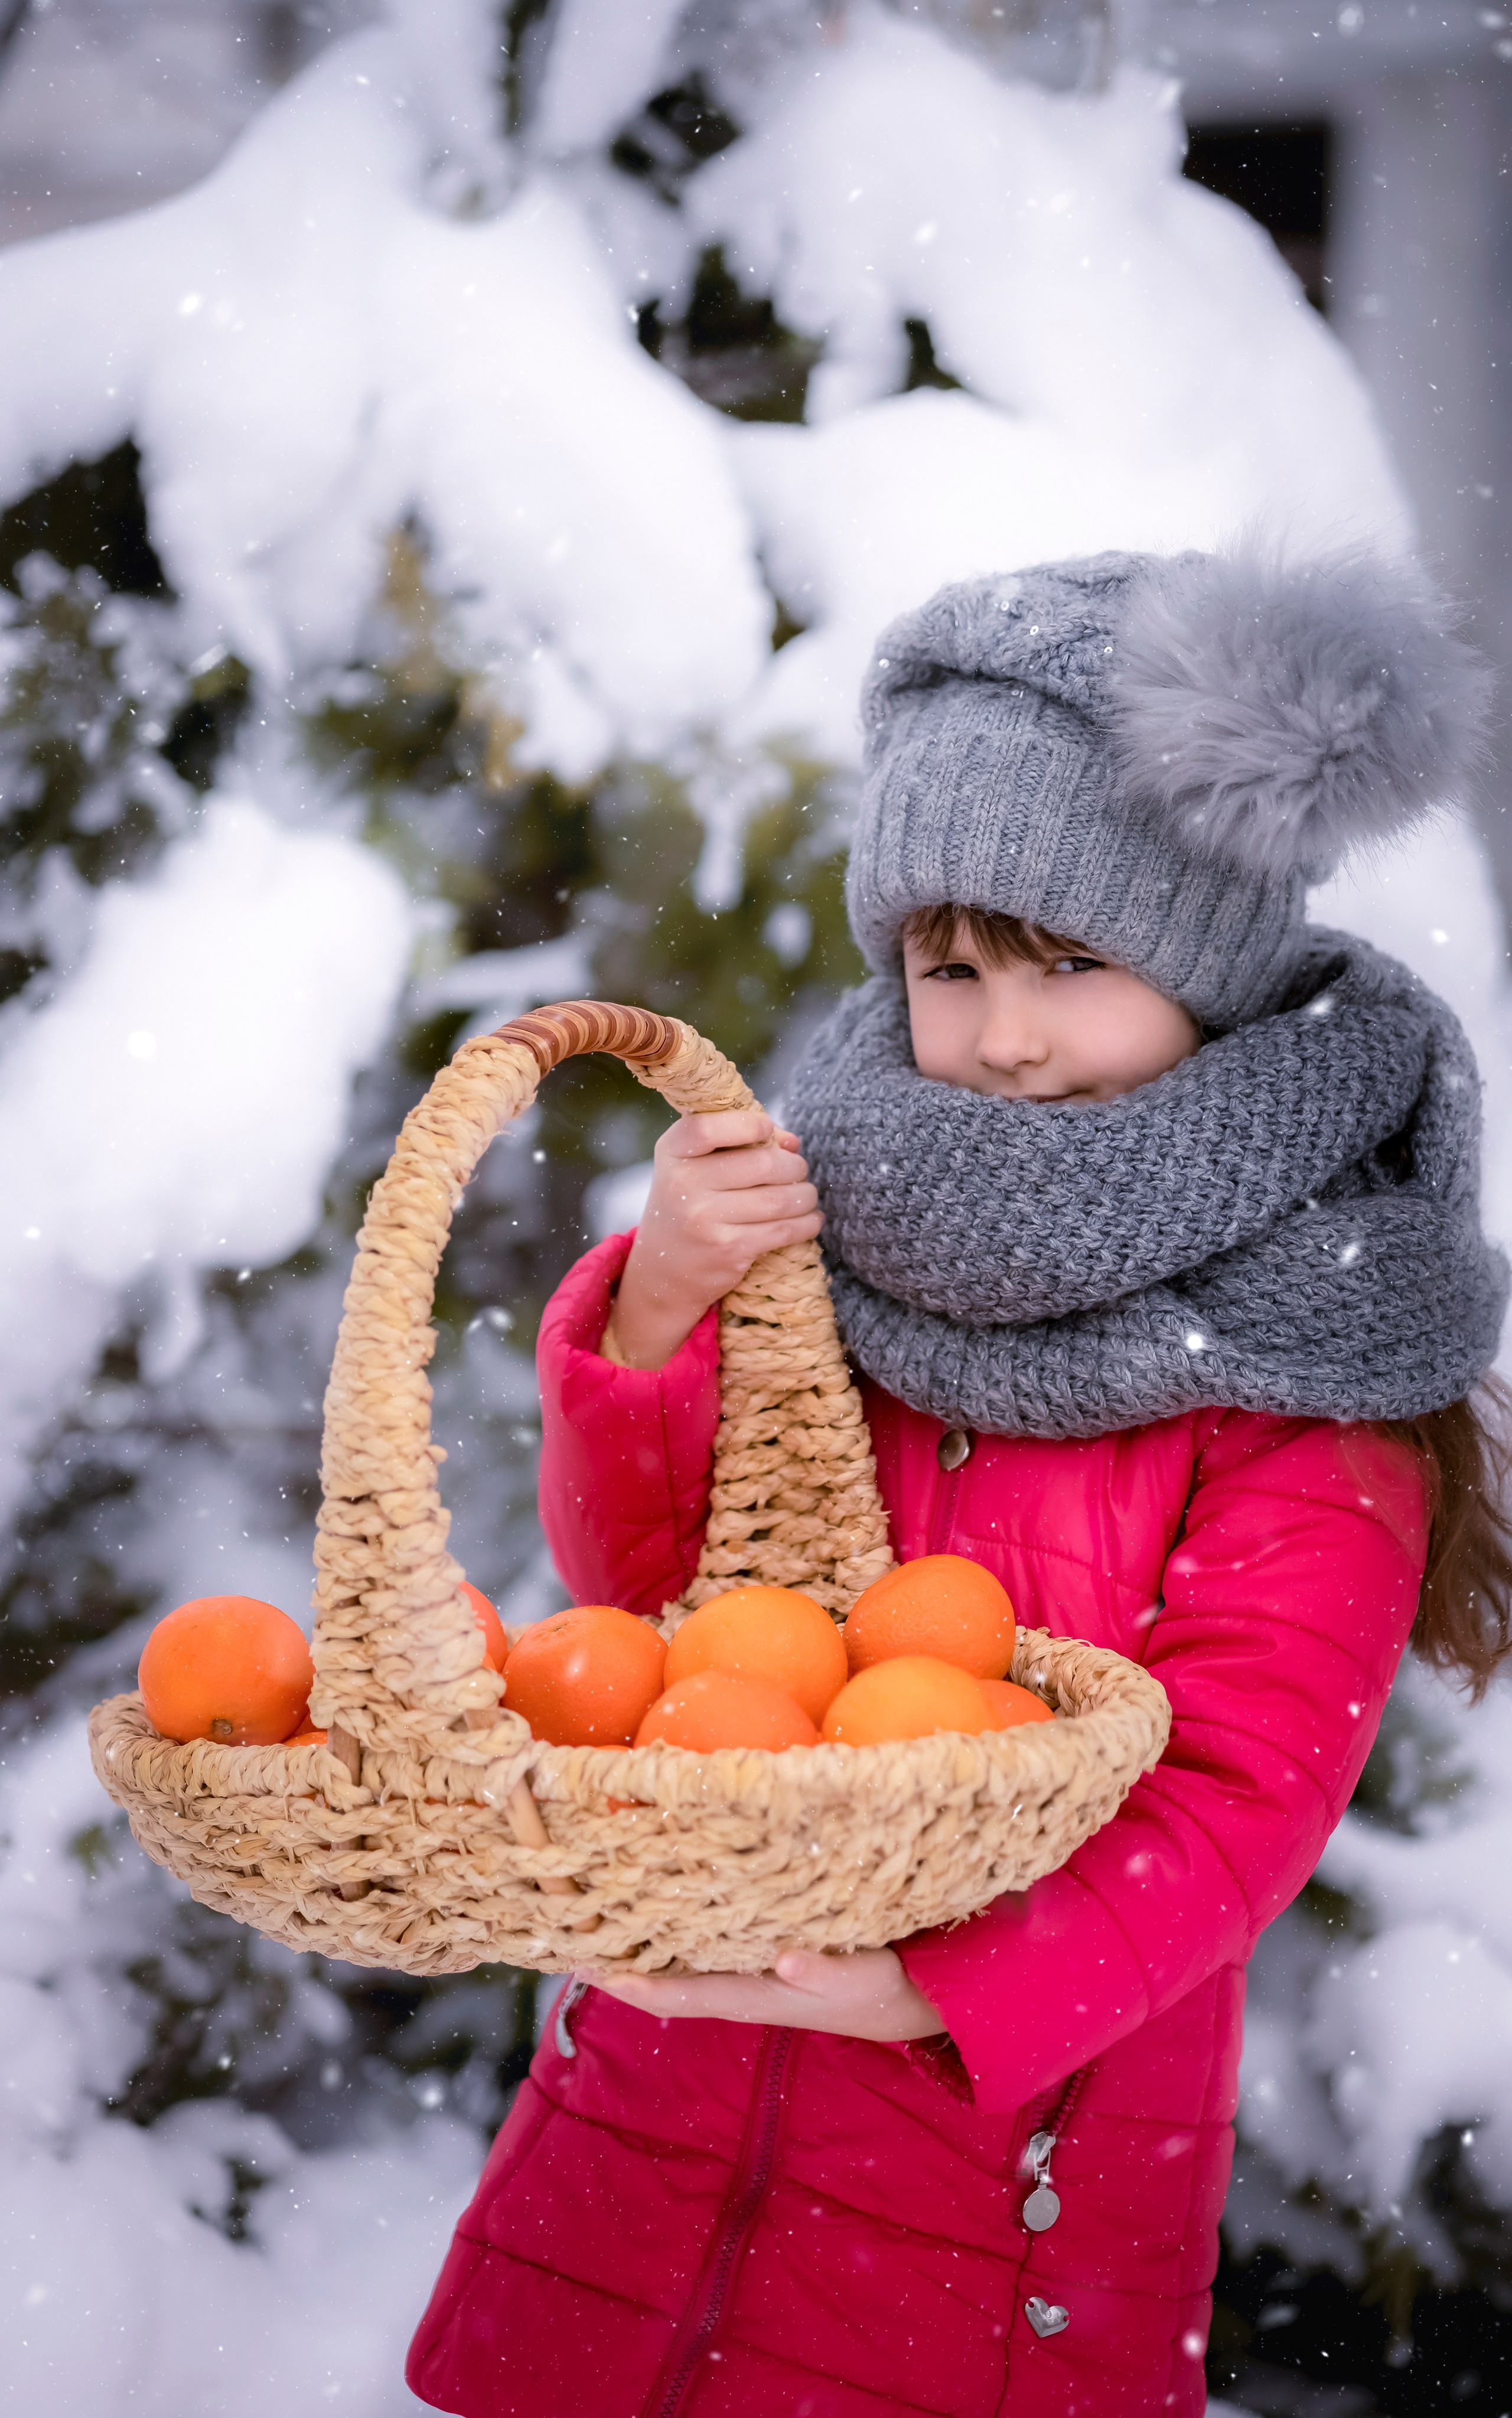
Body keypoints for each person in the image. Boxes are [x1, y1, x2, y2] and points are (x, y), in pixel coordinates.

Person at [407, 547, 1512, 2418]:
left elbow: (1242, 1788)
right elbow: (678, 1602)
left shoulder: (1304, 1342)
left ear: (1217, 964)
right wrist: (670, 1303)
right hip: (662, 2094)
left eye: (1077, 962)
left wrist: (948, 1991)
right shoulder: (835, 1222)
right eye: (955, 964)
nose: (1004, 1034)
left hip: (999, 2168)